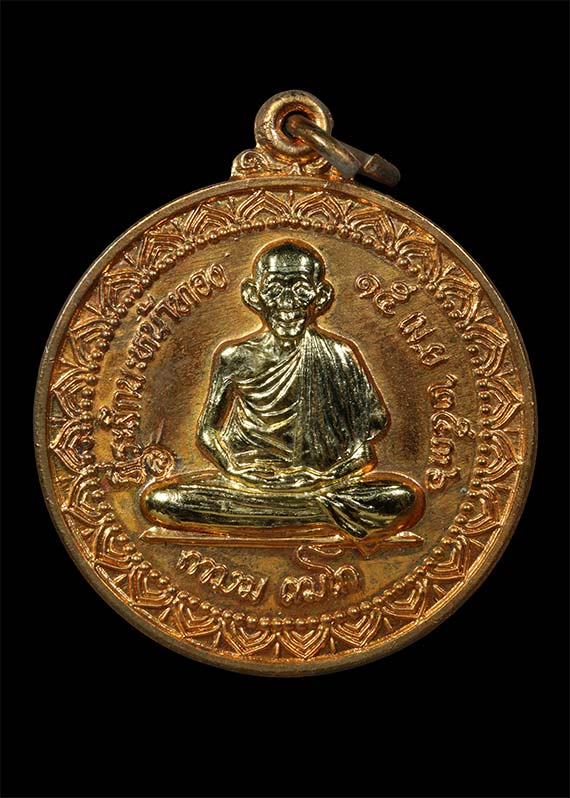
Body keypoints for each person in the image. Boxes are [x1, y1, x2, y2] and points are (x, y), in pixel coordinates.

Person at [141, 242, 423, 549]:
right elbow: (207, 432)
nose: (287, 303)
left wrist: (324, 477)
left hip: (325, 483)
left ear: (321, 296)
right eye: (275, 290)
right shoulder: (234, 357)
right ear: (254, 295)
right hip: (248, 484)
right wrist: (235, 470)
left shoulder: (339, 355)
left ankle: (284, 514)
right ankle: (315, 514)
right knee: (161, 499)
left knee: (402, 498)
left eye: (301, 290)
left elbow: (366, 443)